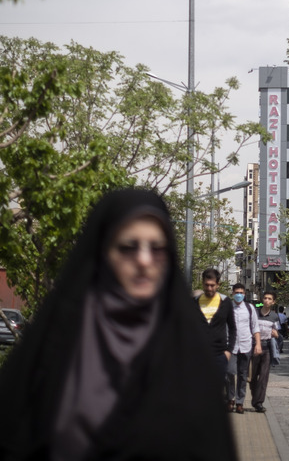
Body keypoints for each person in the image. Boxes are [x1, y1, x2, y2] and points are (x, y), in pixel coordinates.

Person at [0, 187, 237, 461]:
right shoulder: (60, 339)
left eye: (157, 248)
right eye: (128, 247)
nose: (144, 261)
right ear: (103, 252)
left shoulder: (186, 350)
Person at [194, 267, 236, 380]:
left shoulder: (225, 302)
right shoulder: (194, 302)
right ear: (202, 283)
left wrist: (228, 351)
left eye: (212, 285)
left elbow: (232, 328)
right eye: (206, 285)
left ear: (218, 284)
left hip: (219, 355)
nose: (209, 288)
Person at [226, 283, 262, 414]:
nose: (239, 295)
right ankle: (230, 399)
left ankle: (240, 402)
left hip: (246, 345)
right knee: (230, 373)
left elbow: (255, 327)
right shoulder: (228, 307)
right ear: (233, 293)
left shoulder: (250, 308)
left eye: (241, 292)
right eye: (236, 292)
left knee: (243, 375)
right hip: (231, 346)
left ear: (244, 294)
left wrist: (257, 344)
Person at [249, 290, 280, 412]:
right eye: (265, 298)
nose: (267, 300)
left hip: (267, 348)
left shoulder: (274, 316)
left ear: (273, 302)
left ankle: (259, 403)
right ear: (262, 300)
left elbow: (277, 333)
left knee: (263, 376)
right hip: (254, 348)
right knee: (252, 377)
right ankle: (255, 399)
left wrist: (276, 334)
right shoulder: (255, 314)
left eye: (269, 299)